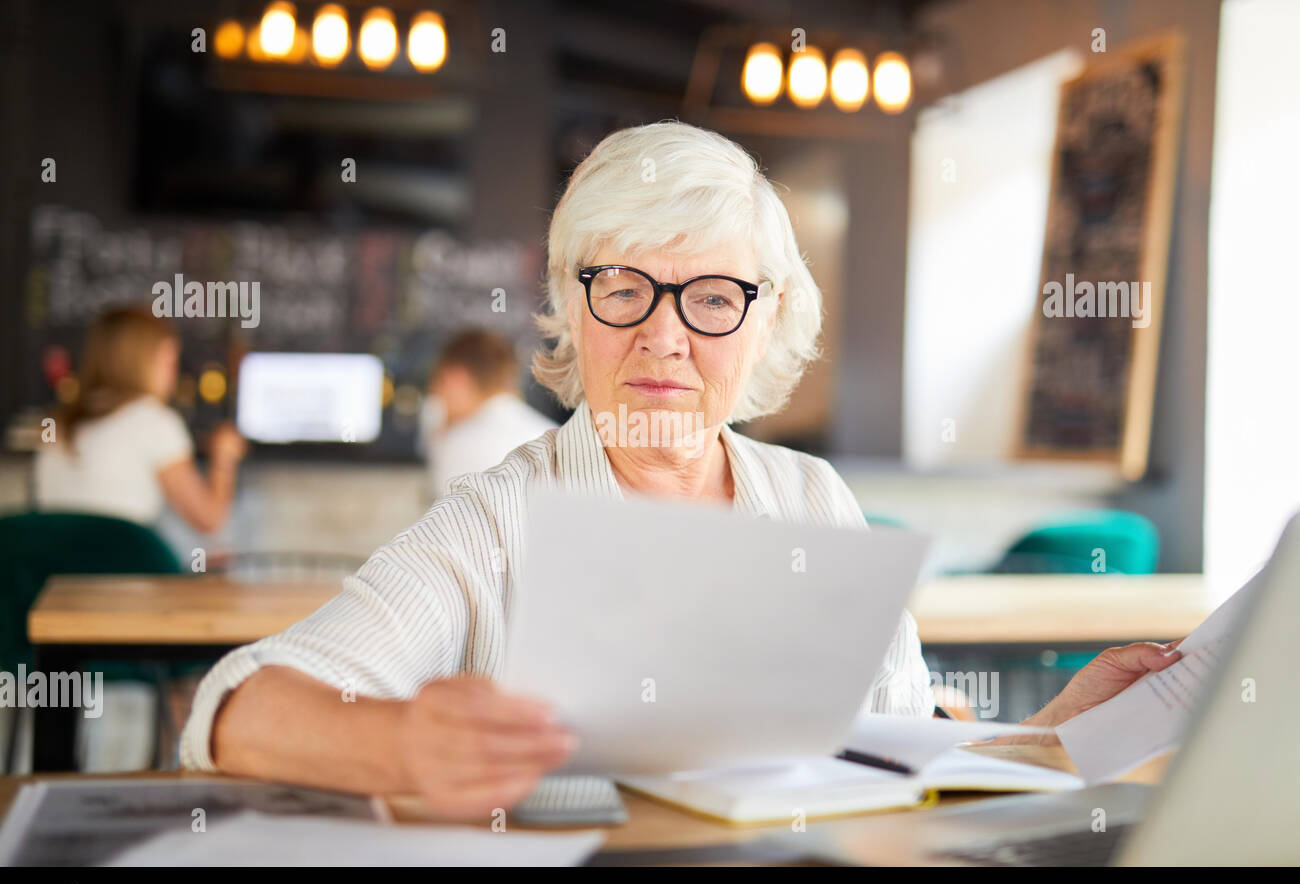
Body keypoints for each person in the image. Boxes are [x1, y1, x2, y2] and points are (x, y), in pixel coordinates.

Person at [181, 121, 1184, 818]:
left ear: (764, 324)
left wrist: (1055, 735)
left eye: (711, 296)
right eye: (623, 287)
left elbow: (897, 747)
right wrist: (397, 745)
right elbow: (235, 706)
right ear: (573, 308)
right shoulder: (495, 519)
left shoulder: (810, 498)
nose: (663, 336)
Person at [35, 308, 246, 535]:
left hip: (57, 568)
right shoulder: (154, 422)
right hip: (121, 565)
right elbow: (208, 521)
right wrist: (224, 458)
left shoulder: (57, 423)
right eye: (170, 361)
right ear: (144, 362)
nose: (173, 375)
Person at [420, 328, 556, 500]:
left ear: (454, 379)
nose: (436, 396)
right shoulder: (555, 437)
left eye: (437, 384)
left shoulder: (460, 446)